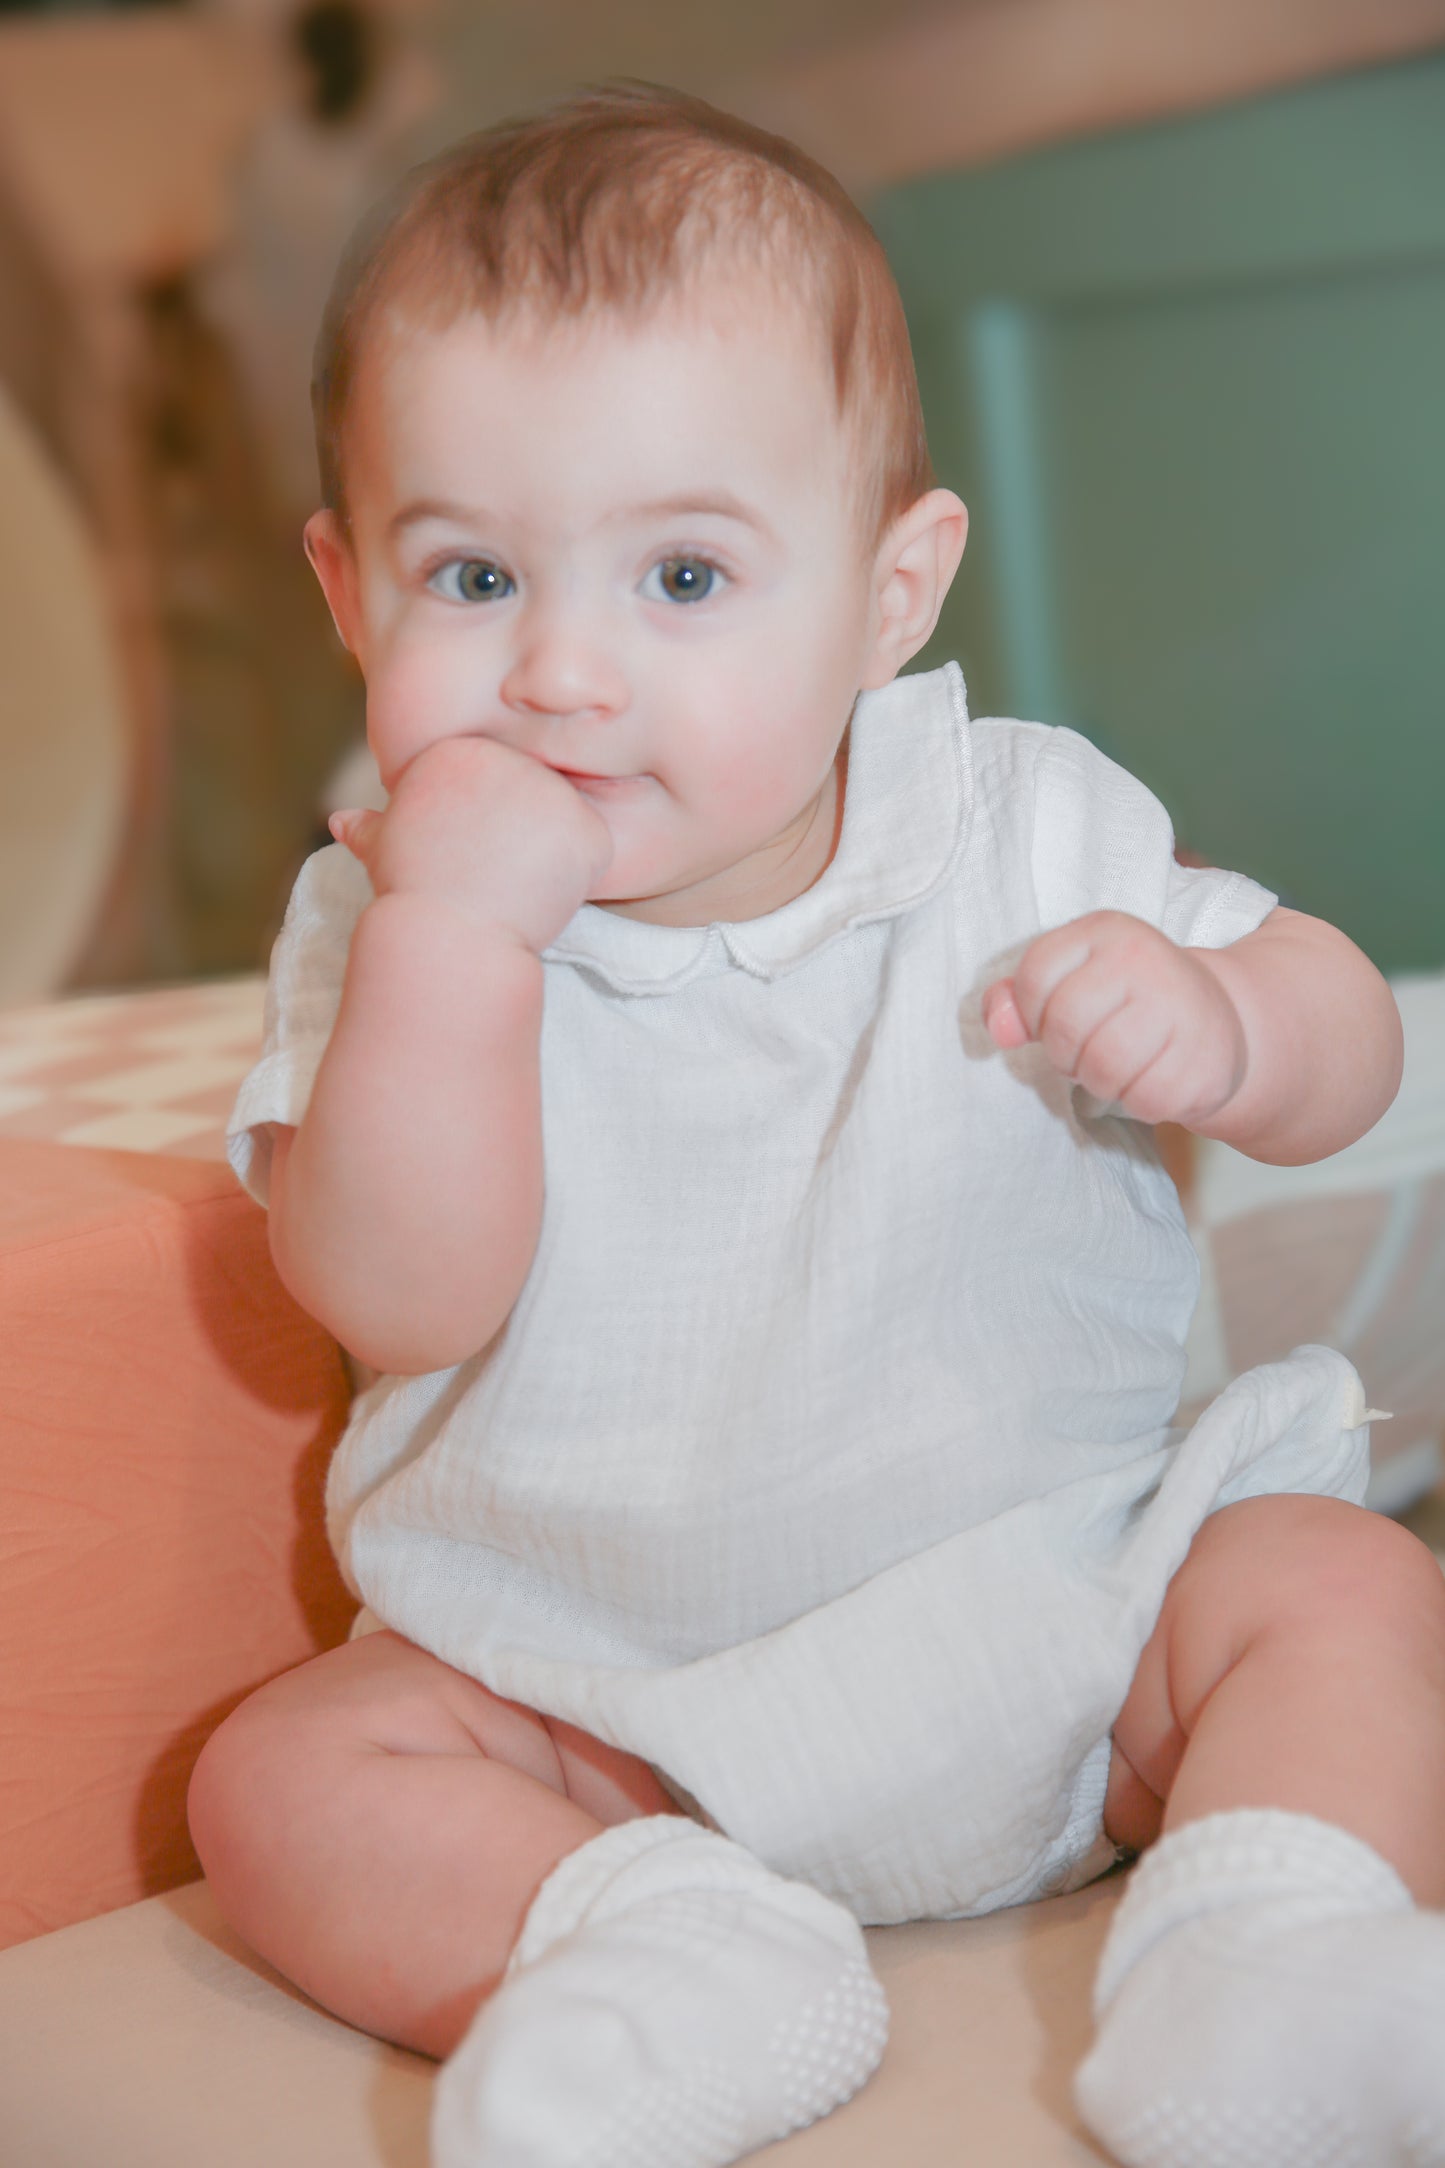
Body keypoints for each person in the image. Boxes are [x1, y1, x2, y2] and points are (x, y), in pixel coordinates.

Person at [190, 83, 1445, 2168]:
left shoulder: (1024, 827)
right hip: (594, 1709)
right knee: (283, 1777)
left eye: (685, 573)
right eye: (473, 574)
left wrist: (1231, 1020)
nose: (565, 674)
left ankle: (1267, 1961)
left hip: (1070, 1623)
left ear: (889, 590)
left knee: (1337, 1583)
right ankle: (659, 1954)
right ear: (347, 593)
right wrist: (458, 948)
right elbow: (403, 1296)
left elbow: (1343, 1033)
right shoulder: (384, 914)